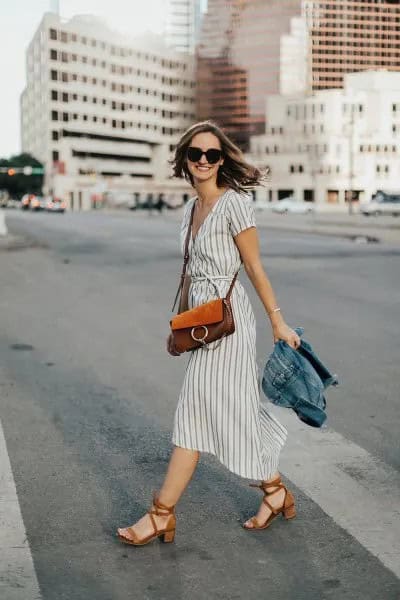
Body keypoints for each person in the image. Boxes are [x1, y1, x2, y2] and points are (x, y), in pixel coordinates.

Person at [117, 121, 301, 546]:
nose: (203, 160)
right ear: (185, 159)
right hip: (200, 324)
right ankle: (274, 492)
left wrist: (277, 321)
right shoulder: (189, 209)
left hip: (229, 325)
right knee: (229, 412)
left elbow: (254, 268)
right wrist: (178, 325)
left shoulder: (235, 204)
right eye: (195, 154)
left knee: (194, 415)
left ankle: (161, 515)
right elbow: (188, 274)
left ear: (222, 160)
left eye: (211, 155)